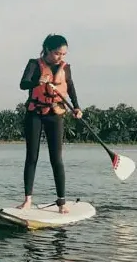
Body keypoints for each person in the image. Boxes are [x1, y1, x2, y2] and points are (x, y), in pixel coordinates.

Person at [16, 34, 82, 214]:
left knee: (56, 158)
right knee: (32, 156)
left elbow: (70, 87)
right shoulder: (33, 64)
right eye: (57, 53)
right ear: (47, 50)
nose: (61, 57)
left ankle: (61, 201)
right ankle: (28, 200)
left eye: (63, 54)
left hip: (56, 114)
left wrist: (76, 107)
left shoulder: (65, 68)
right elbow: (23, 84)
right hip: (34, 114)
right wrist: (37, 81)